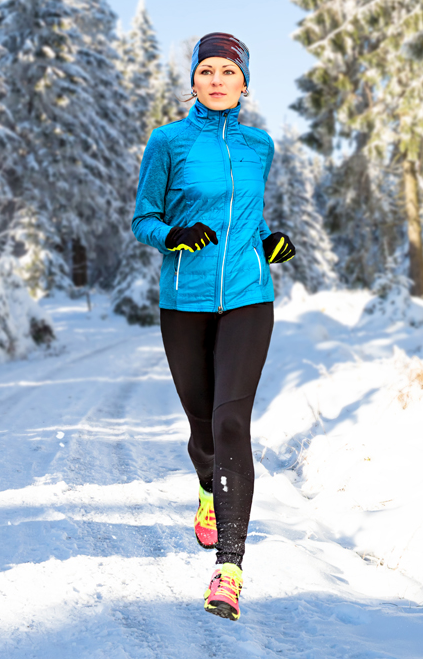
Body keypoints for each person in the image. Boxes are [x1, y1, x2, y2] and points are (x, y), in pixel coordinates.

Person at [131, 32, 295, 621]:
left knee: (231, 421)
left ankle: (229, 568)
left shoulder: (259, 145)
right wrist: (170, 234)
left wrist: (268, 241)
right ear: (194, 81)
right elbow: (142, 218)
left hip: (250, 296)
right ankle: (206, 485)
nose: (218, 79)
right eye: (208, 71)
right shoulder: (168, 142)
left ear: (245, 84)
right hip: (185, 300)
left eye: (230, 71)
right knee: (202, 421)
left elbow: (248, 214)